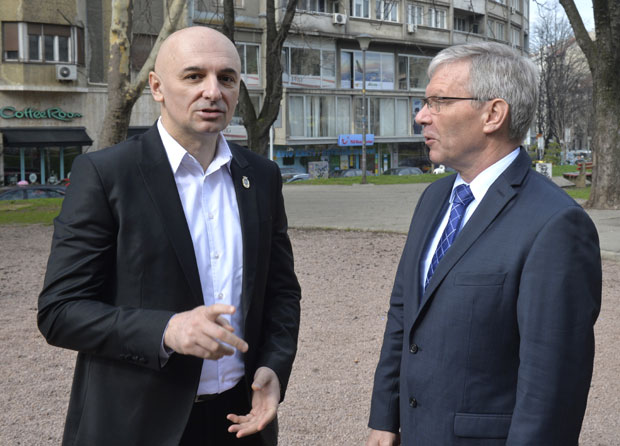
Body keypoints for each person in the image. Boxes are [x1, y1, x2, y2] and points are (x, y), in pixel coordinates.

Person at [38, 26, 301, 446]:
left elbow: (281, 292)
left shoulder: (262, 176)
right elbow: (60, 311)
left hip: (241, 421)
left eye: (227, 78)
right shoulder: (107, 174)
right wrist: (167, 329)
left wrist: (273, 368)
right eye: (194, 76)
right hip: (136, 425)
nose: (213, 91)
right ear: (157, 87)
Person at [366, 42, 601, 445]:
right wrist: (385, 418)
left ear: (493, 114)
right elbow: (404, 315)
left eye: (439, 102)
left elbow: (551, 389)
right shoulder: (434, 199)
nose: (422, 116)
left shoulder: (556, 224)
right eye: (425, 102)